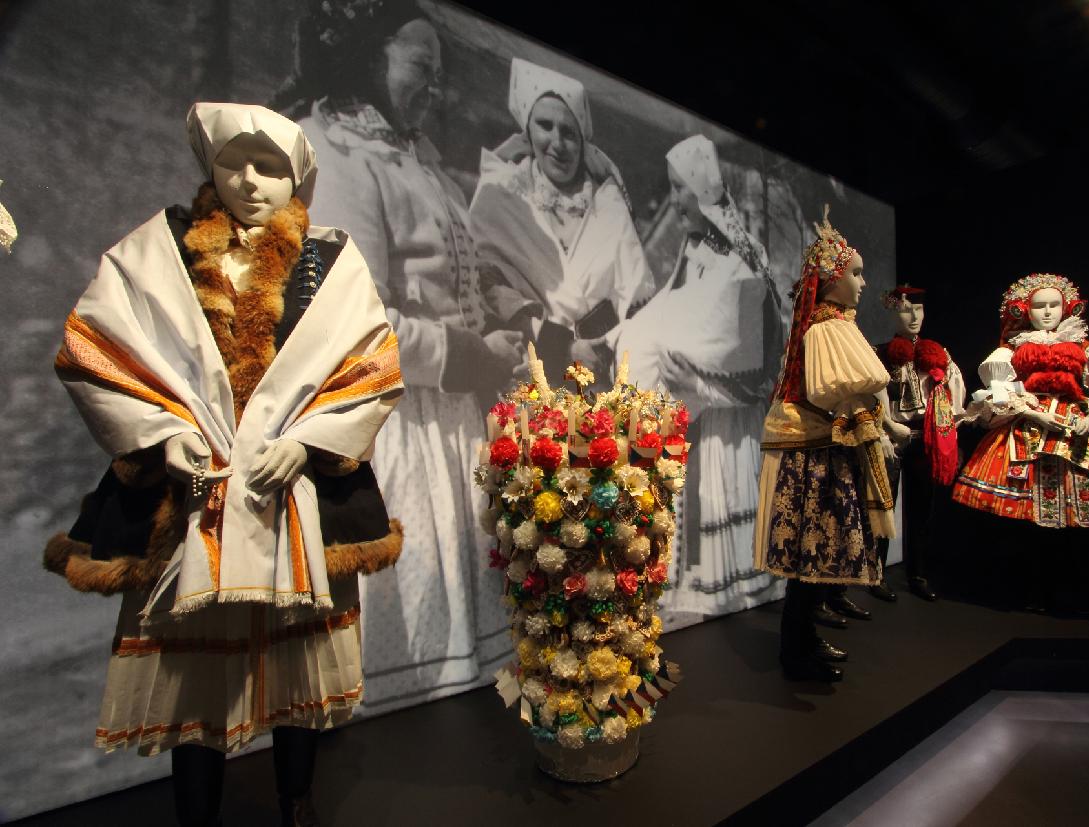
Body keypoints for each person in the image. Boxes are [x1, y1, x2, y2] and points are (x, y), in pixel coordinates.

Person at [44, 102, 403, 826]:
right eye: (234, 163)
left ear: (295, 176)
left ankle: (295, 801)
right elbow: (96, 348)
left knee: (297, 667)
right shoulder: (159, 252)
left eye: (269, 166)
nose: (249, 180)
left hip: (296, 490)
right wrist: (161, 433)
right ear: (210, 165)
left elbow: (370, 362)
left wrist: (309, 440)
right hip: (192, 495)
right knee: (192, 677)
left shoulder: (329, 261)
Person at [274, 0, 520, 704]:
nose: (435, 87)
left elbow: (457, 269)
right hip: (393, 431)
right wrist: (472, 356)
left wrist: (507, 308)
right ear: (369, 57)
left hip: (450, 427)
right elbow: (349, 321)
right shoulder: (337, 156)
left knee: (473, 664)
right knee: (411, 659)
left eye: (441, 72)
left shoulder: (415, 156)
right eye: (421, 67)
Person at [596, 134, 781, 615]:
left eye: (681, 188)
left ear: (702, 189)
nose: (675, 199)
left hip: (729, 417)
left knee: (725, 498)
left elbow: (748, 347)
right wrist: (628, 337)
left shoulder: (744, 259)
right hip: (694, 411)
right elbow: (671, 313)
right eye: (672, 188)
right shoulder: (691, 251)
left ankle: (739, 594)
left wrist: (698, 378)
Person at [953, 273, 1089, 609]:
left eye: (1054, 304)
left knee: (1080, 507)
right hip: (1030, 422)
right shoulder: (1012, 347)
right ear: (1025, 309)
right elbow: (999, 390)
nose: (1048, 311)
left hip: (1075, 421)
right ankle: (1034, 587)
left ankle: (1075, 589)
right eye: (1040, 306)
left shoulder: (1082, 344)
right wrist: (1032, 413)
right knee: (1026, 520)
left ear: (1067, 307)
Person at [753, 208, 896, 681]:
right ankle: (794, 651)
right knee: (808, 554)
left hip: (825, 450)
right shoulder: (825, 327)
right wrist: (858, 411)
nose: (862, 282)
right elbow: (829, 388)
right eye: (855, 273)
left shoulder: (834, 323)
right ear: (833, 279)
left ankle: (804, 639)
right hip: (812, 453)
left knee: (818, 554)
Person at [470, 57, 655, 377]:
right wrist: (560, 347)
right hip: (530, 363)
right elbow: (485, 285)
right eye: (545, 126)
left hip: (601, 374)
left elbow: (638, 301)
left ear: (582, 140)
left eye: (569, 132)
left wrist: (611, 351)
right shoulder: (500, 197)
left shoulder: (609, 206)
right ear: (528, 131)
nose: (557, 143)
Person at [868, 284, 965, 602]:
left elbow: (952, 398)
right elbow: (870, 398)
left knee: (922, 507)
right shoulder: (879, 354)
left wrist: (949, 433)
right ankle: (876, 573)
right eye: (905, 310)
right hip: (892, 436)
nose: (913, 317)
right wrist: (884, 430)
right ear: (893, 313)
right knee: (884, 506)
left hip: (925, 435)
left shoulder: (937, 355)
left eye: (918, 309)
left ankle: (918, 573)